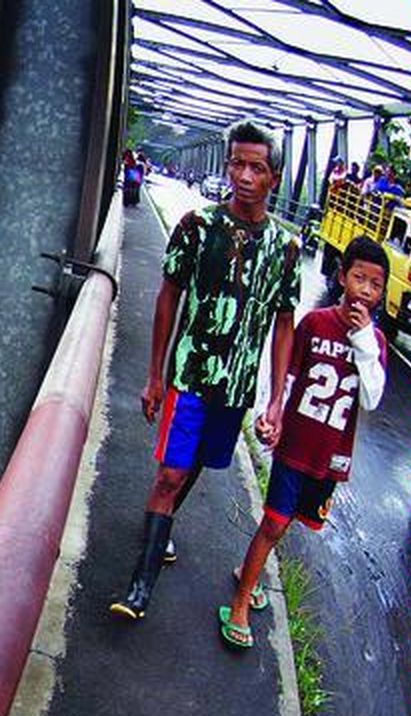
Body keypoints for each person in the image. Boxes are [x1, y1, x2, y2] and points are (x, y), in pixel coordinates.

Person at [110, 120, 300, 621]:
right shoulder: (198, 226)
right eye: (236, 162)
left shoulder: (286, 250)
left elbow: (284, 325)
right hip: (189, 376)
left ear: (274, 179)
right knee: (171, 472)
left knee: (193, 466)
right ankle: (139, 587)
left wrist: (276, 399)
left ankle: (162, 528)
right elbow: (168, 295)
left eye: (256, 167)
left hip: (235, 388)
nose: (243, 175)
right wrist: (155, 374)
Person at [218, 236, 388, 647]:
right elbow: (289, 377)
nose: (365, 290)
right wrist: (273, 414)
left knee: (288, 521)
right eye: (358, 278)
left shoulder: (376, 343)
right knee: (274, 522)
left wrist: (364, 342)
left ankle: (249, 574)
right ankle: (240, 603)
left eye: (375, 284)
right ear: (341, 276)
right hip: (296, 446)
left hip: (329, 457)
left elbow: (371, 398)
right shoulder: (315, 323)